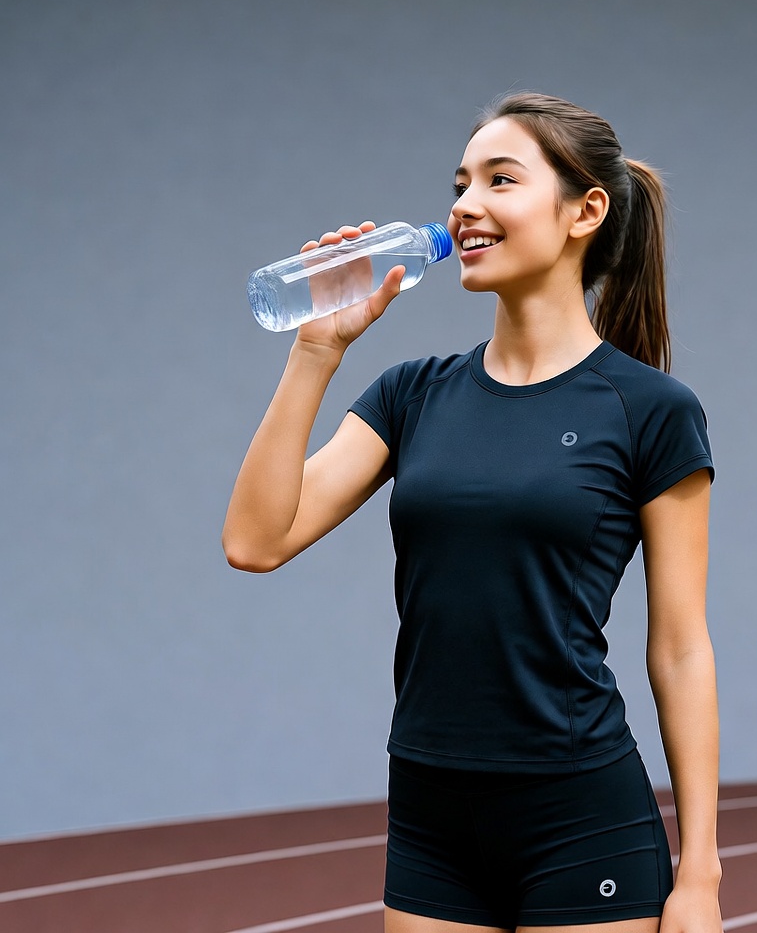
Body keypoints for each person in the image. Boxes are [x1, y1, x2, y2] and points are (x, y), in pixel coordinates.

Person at [223, 92, 722, 933]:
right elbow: (255, 540)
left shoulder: (650, 411)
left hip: (580, 813)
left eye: (500, 179)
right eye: (460, 183)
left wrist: (699, 874)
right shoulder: (413, 394)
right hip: (430, 813)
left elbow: (679, 648)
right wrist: (318, 349)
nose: (464, 205)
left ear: (584, 211)